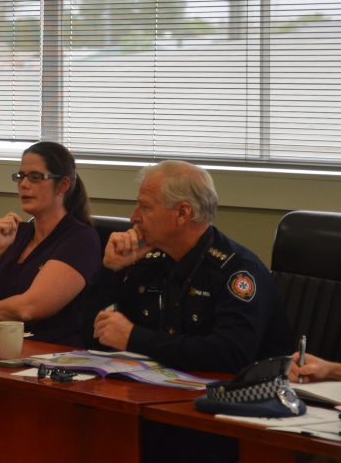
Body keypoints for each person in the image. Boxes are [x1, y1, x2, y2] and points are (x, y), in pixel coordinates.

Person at [85, 160, 293, 374]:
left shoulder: (236, 270)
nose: (134, 216)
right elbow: (88, 333)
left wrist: (135, 338)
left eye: (145, 207)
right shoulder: (149, 260)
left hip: (235, 398)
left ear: (183, 213)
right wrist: (111, 271)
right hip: (156, 388)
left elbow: (231, 354)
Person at [0, 141, 101, 346]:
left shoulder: (80, 239)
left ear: (63, 185)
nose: (23, 184)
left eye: (35, 177)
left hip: (46, 355)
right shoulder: (17, 233)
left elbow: (29, 308)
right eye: (21, 176)